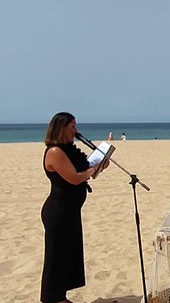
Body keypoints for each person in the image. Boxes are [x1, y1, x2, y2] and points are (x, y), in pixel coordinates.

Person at [40, 112, 108, 303]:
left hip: (71, 210)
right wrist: (93, 169)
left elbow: (85, 173)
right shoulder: (55, 152)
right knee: (56, 255)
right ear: (61, 129)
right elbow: (75, 178)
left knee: (68, 254)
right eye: (72, 127)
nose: (76, 131)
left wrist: (99, 166)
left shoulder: (68, 149)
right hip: (58, 211)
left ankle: (60, 296)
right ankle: (52, 298)